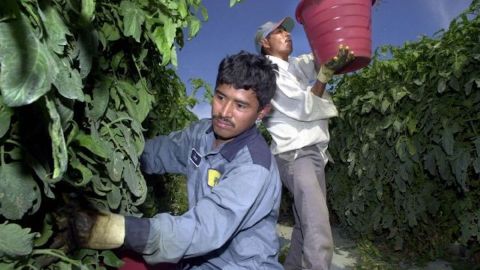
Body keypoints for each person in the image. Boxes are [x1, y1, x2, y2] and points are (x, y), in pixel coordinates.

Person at [69, 51, 284, 269]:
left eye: (240, 105)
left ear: (261, 112)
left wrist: (118, 229)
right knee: (123, 261)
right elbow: (157, 153)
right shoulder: (201, 134)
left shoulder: (254, 166)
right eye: (220, 97)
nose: (224, 112)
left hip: (237, 266)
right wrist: (102, 157)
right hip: (197, 260)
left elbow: (203, 230)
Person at [254, 17, 355, 270]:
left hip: (311, 154)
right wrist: (324, 76)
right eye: (278, 32)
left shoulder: (291, 66)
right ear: (265, 43)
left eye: (286, 31)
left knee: (305, 225)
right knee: (318, 227)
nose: (286, 34)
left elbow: (316, 60)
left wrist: (330, 39)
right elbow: (305, 106)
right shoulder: (270, 73)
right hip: (295, 155)